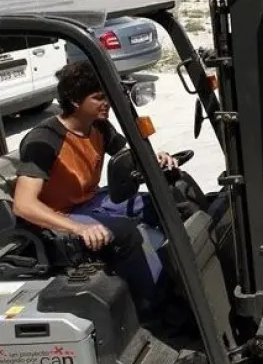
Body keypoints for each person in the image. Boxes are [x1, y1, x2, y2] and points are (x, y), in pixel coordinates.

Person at [12, 61, 177, 311]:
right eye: (98, 98)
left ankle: (181, 274)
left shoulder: (99, 126)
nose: (106, 103)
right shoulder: (44, 140)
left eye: (107, 96)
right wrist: (77, 228)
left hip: (90, 202)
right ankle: (156, 304)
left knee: (161, 203)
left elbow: (128, 156)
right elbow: (24, 205)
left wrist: (156, 157)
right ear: (76, 101)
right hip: (59, 217)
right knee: (124, 231)